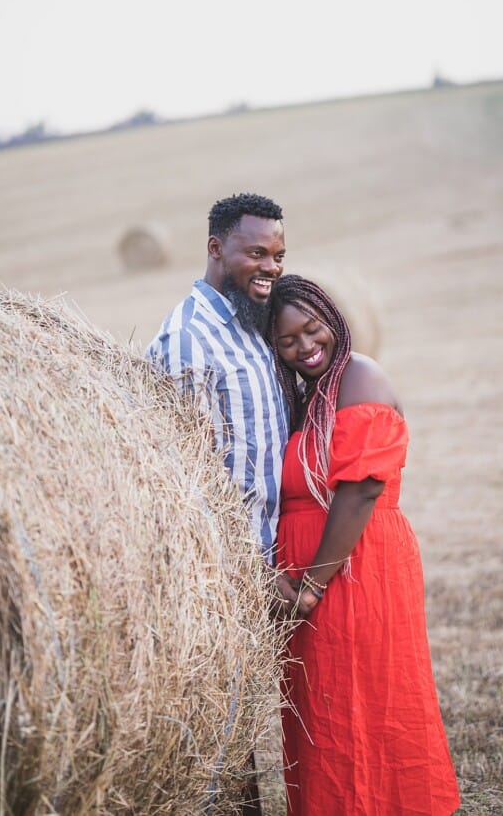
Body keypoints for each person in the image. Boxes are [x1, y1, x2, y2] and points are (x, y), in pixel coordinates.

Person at [266, 274, 460, 815]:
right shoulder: (311, 394)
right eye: (287, 340)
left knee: (375, 702)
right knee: (325, 711)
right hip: (314, 579)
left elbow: (362, 487)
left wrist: (310, 585)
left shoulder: (359, 376)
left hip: (356, 568)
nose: (305, 346)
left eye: (312, 329)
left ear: (333, 318)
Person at [144, 192, 290, 814]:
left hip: (264, 572)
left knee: (239, 749)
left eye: (279, 254)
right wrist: (247, 572)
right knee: (213, 747)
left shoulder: (251, 330)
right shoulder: (189, 341)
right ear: (215, 249)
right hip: (221, 581)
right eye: (256, 251)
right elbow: (190, 485)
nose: (272, 266)